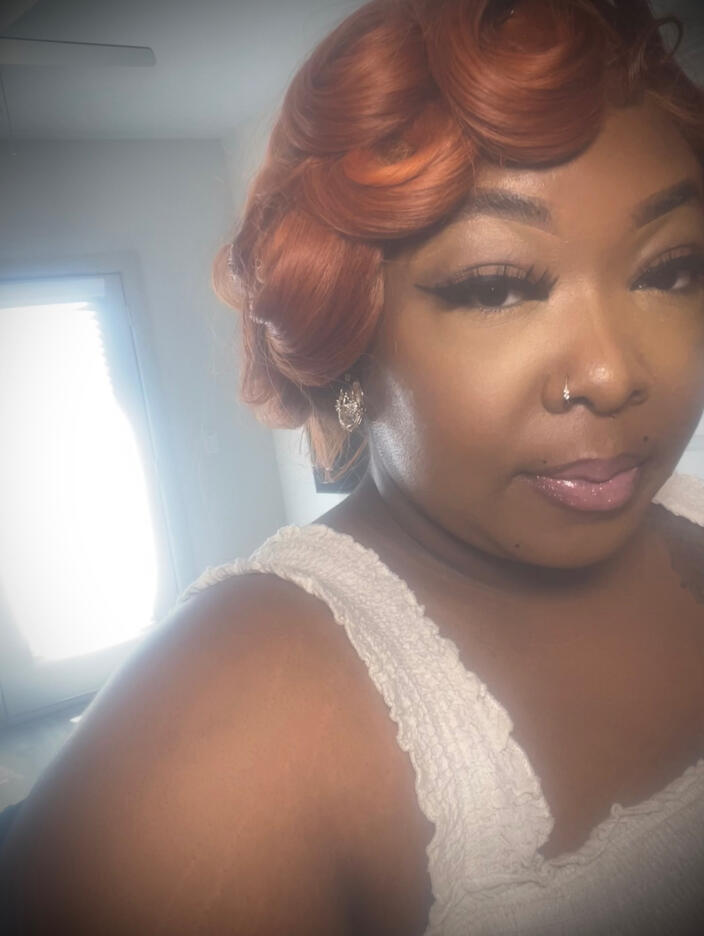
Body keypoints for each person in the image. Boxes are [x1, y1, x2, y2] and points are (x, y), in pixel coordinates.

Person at [2, 0, 704, 932]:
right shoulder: (223, 749)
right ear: (346, 338)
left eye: (671, 270)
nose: (613, 375)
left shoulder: (691, 512)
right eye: (496, 286)